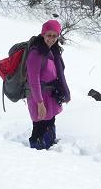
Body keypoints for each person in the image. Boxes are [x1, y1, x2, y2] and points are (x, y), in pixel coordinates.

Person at [26, 19, 71, 150]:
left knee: (50, 121)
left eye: (54, 36)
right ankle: (37, 153)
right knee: (39, 126)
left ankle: (50, 147)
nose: (51, 39)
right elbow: (33, 80)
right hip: (38, 96)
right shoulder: (36, 53)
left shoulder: (54, 51)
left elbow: (60, 74)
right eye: (48, 35)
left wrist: (66, 93)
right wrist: (40, 103)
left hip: (50, 94)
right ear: (43, 34)